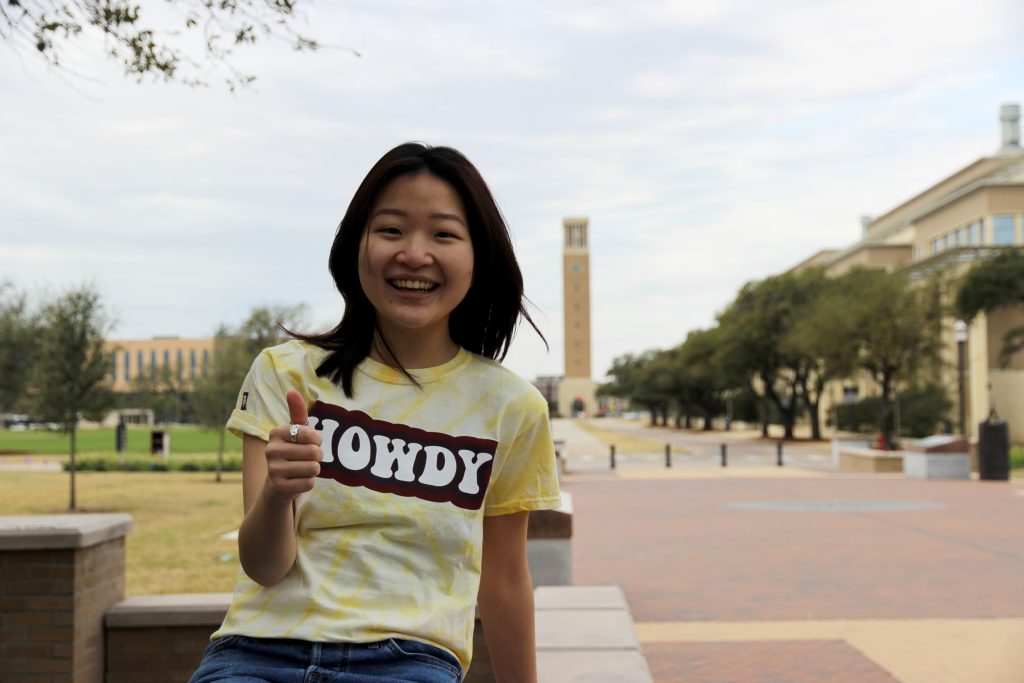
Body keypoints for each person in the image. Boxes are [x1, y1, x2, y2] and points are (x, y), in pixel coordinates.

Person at [189, 143, 561, 683]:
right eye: (390, 230)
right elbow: (264, 566)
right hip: (258, 654)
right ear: (355, 245)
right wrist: (277, 492)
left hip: (411, 664)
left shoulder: (511, 407)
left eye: (443, 234)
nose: (414, 254)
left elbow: (504, 581)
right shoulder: (285, 374)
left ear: (479, 256)